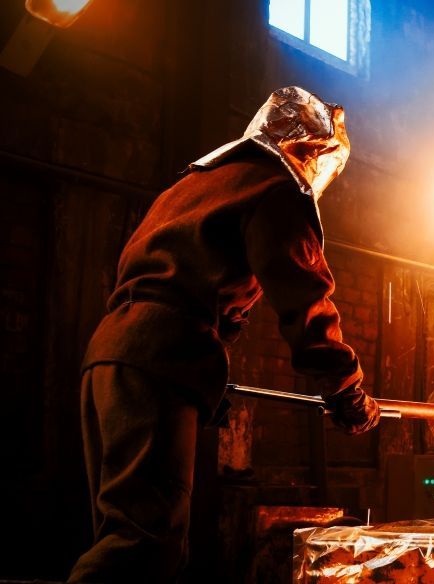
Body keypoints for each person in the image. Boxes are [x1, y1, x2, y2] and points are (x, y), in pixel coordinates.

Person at [68, 87, 379, 583]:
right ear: (310, 150)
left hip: (111, 354)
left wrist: (204, 369)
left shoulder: (194, 186)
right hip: (158, 357)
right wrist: (346, 388)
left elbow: (193, 282)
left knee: (127, 533)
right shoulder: (276, 188)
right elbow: (302, 295)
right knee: (141, 546)